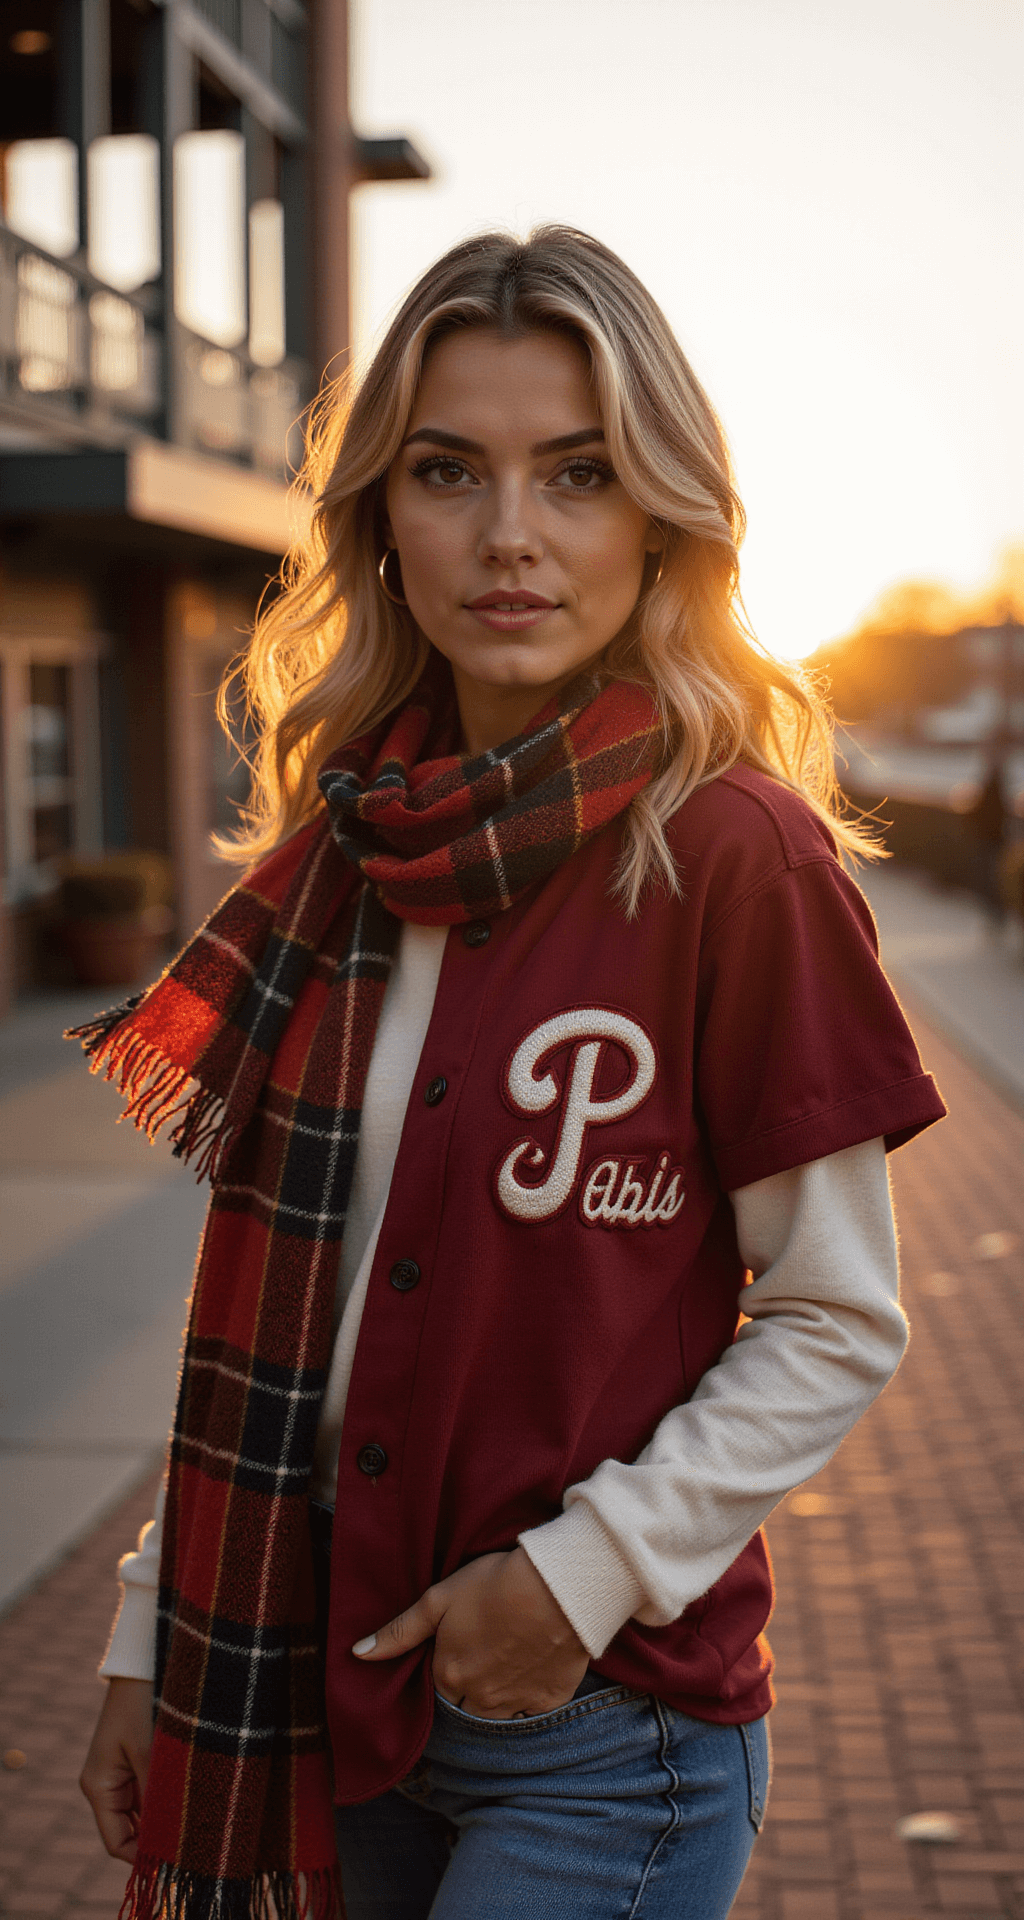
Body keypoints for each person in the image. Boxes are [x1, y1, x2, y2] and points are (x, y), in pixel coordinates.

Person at [75, 227, 945, 1920]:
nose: (513, 537)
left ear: (660, 515)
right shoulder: (338, 861)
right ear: (382, 521)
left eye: (580, 474)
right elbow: (274, 1319)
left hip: (601, 1724)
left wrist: (577, 1578)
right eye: (450, 473)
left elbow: (841, 1315)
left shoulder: (734, 856)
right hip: (321, 1681)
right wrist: (149, 1623)